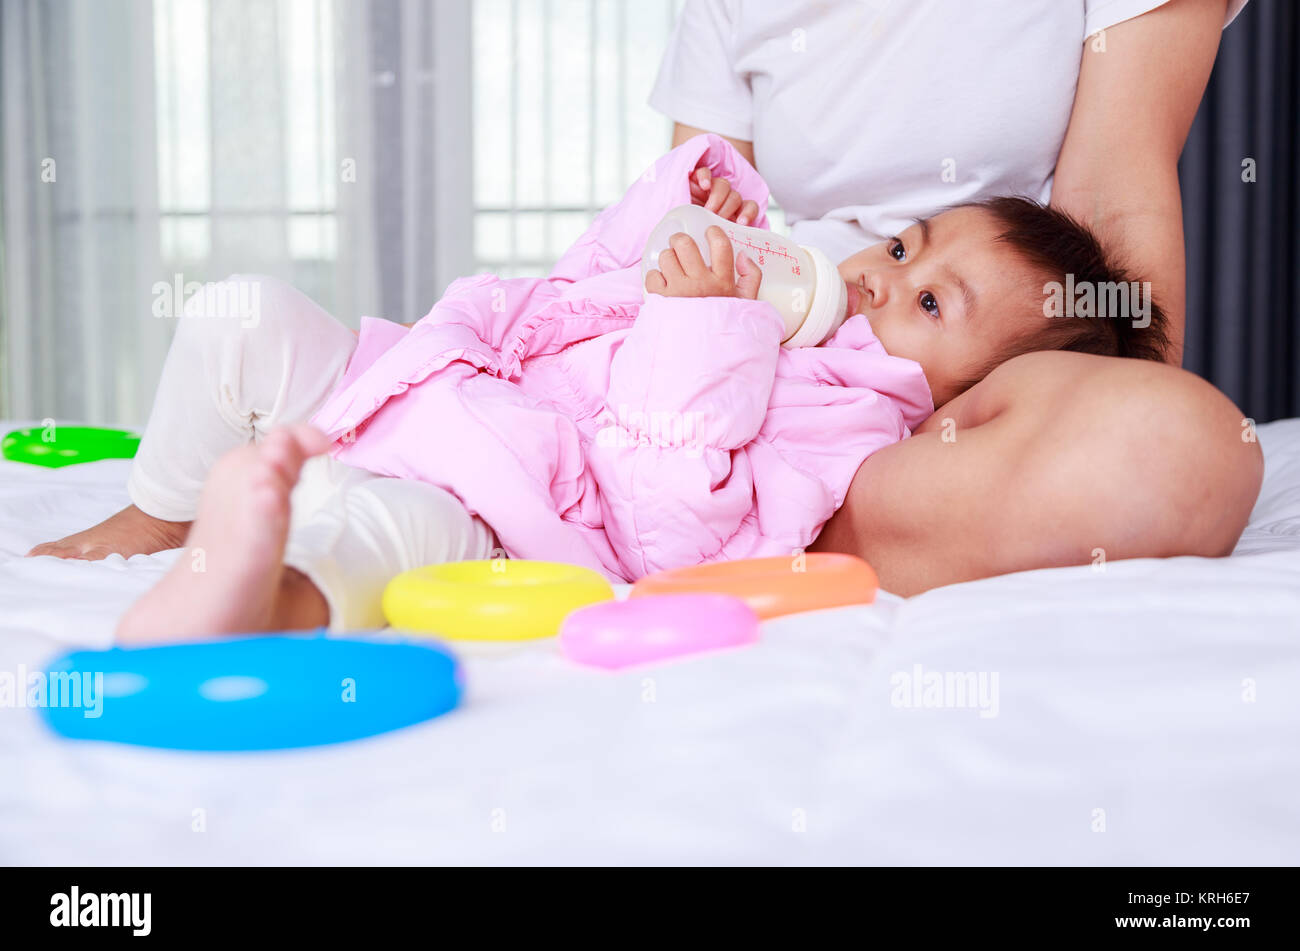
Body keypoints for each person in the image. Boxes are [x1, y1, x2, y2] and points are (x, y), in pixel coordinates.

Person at [29, 136, 1163, 640]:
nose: (884, 278)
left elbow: (676, 527)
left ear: (964, 397)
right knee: (243, 311)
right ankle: (158, 508)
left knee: (387, 535)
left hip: (509, 503)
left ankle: (253, 595)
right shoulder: (781, 281)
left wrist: (700, 320)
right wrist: (680, 210)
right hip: (416, 386)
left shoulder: (850, 424)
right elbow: (575, 291)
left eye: (928, 306)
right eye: (910, 246)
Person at [650, 0, 1261, 594]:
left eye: (929, 300)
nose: (879, 279)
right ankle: (776, 517)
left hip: (969, 386)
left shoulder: (966, 395)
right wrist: (722, 246)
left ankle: (788, 518)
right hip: (764, 352)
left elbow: (1119, 207)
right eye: (896, 249)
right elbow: (697, 200)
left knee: (1180, 447)